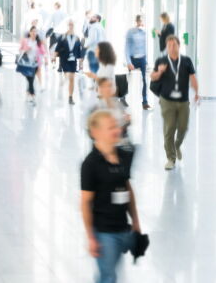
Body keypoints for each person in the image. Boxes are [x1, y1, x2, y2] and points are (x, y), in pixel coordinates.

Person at [81, 109, 141, 283]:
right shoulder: (90, 164)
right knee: (108, 277)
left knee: (107, 276)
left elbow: (128, 189)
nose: (116, 130)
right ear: (95, 133)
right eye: (110, 127)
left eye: (116, 126)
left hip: (123, 228)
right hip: (104, 233)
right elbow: (85, 203)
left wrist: (135, 221)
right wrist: (91, 237)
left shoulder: (122, 156)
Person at [150, 35, 199, 170]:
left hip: (183, 101)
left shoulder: (186, 61)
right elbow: (152, 77)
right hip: (167, 100)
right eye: (169, 45)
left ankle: (177, 145)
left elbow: (193, 77)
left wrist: (197, 93)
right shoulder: (161, 60)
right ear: (166, 47)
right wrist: (159, 71)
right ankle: (171, 158)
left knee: (183, 128)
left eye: (174, 45)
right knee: (169, 129)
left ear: (179, 46)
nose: (172, 47)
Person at [125, 15, 151, 110]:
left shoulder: (144, 33)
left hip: (142, 59)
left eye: (142, 21)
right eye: (140, 21)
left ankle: (145, 102)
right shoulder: (130, 32)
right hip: (133, 59)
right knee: (128, 79)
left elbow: (144, 47)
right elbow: (127, 47)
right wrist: (128, 61)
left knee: (145, 80)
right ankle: (123, 98)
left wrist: (146, 60)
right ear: (136, 21)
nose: (141, 23)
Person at [54, 20, 83, 105]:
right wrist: (53, 57)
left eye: (72, 25)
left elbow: (79, 50)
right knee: (68, 76)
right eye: (69, 25)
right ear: (67, 26)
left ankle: (70, 97)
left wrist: (81, 62)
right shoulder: (62, 37)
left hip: (73, 61)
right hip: (64, 60)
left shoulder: (77, 37)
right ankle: (63, 82)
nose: (71, 26)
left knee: (72, 79)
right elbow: (57, 48)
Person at [19, 26, 46, 105]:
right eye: (33, 31)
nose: (34, 33)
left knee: (31, 79)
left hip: (35, 64)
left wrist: (45, 59)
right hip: (26, 63)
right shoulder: (25, 41)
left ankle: (32, 96)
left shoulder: (38, 42)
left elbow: (43, 52)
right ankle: (30, 95)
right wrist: (26, 50)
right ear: (30, 32)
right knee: (30, 80)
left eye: (36, 31)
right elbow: (20, 50)